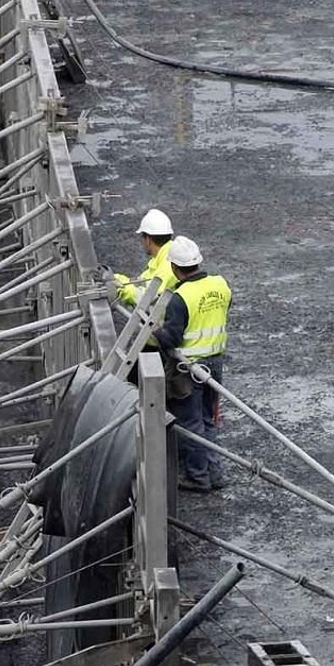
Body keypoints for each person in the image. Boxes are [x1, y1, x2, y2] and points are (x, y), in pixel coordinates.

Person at [154, 235, 232, 493]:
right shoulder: (220, 285)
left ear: (175, 267)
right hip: (215, 363)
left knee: (191, 424)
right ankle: (215, 473)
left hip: (189, 369)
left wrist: (156, 332)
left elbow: (172, 338)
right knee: (208, 419)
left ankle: (198, 477)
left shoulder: (181, 297)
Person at [112, 209, 176, 313]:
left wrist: (121, 288)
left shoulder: (168, 264)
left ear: (148, 239)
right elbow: (142, 281)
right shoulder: (165, 255)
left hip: (166, 319)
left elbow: (145, 298)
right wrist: (116, 278)